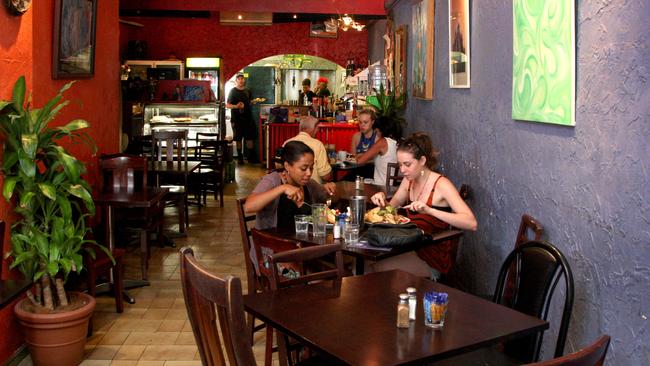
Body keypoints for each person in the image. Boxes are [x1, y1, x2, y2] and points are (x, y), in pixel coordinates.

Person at [370, 132, 477, 279]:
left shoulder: (441, 184)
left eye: (407, 164)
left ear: (422, 160)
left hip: (432, 259)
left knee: (376, 269)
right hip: (409, 248)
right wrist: (382, 200)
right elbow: (391, 209)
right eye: (400, 165)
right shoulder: (409, 180)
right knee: (366, 264)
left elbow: (471, 223)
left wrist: (430, 211)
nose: (402, 170)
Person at [244, 141, 336, 230]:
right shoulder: (273, 180)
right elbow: (248, 206)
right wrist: (283, 188)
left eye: (311, 168)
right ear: (287, 166)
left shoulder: (309, 184)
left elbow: (327, 199)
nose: (309, 173)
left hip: (303, 242)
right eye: (303, 168)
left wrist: (328, 188)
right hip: (273, 243)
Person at [283, 115, 332, 183]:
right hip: (313, 190)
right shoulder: (317, 145)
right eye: (317, 128)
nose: (317, 131)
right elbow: (326, 176)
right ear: (314, 128)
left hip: (291, 188)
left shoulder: (287, 143)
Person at [355, 116, 400, 185]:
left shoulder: (383, 142)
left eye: (376, 131)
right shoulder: (396, 142)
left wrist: (359, 156)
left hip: (380, 186)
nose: (376, 134)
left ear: (380, 130)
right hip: (392, 185)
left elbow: (360, 161)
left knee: (354, 176)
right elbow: (385, 159)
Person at [226, 73, 257, 164]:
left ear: (244, 80)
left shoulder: (248, 91)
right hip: (236, 119)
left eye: (242, 79)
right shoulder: (232, 91)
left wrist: (253, 102)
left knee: (249, 138)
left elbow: (250, 101)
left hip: (248, 118)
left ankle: (251, 157)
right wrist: (236, 106)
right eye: (239, 79)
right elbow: (227, 105)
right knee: (238, 138)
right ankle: (240, 157)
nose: (241, 80)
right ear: (236, 81)